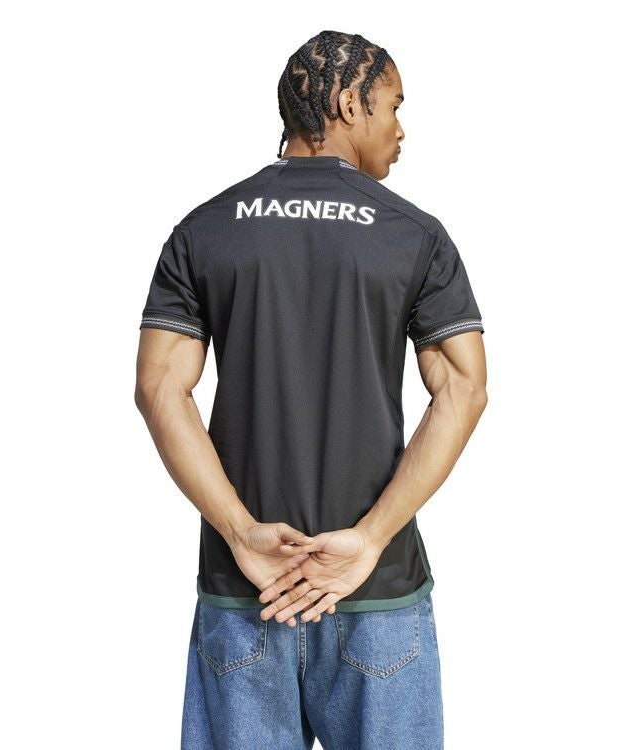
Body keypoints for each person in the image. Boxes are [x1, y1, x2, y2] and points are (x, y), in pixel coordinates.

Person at [134, 29, 487, 750]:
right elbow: (464, 388)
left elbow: (159, 386)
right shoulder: (414, 235)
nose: (401, 129)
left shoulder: (204, 230)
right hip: (375, 591)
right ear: (350, 104)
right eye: (393, 105)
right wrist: (370, 539)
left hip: (246, 590)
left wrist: (241, 533)